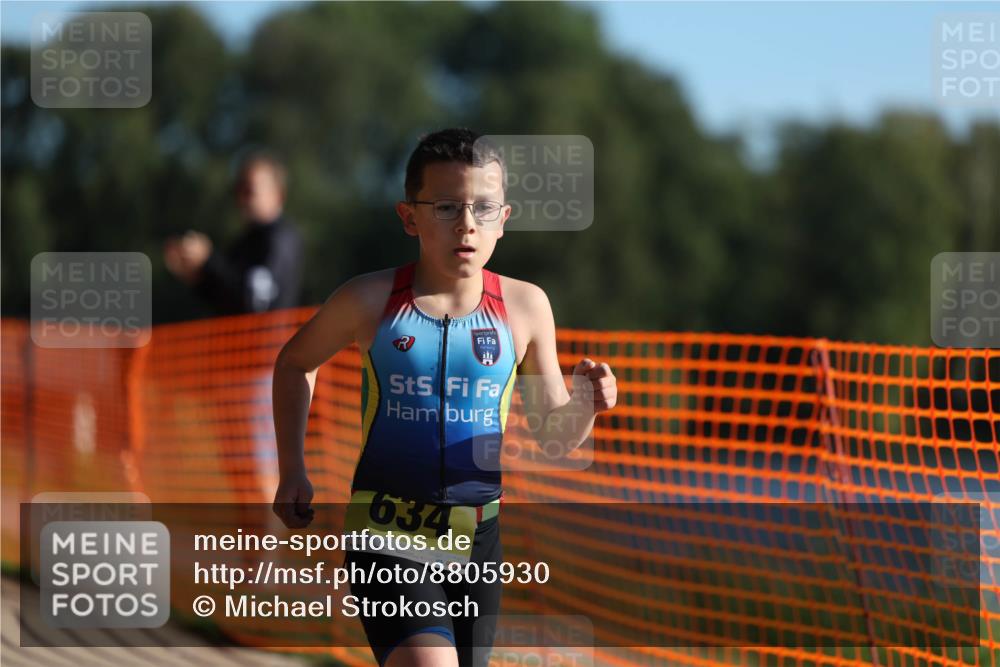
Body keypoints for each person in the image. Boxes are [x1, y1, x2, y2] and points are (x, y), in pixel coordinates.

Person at [270, 128, 617, 667]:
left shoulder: (526, 306)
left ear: (505, 218)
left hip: (479, 542)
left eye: (483, 207)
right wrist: (292, 467)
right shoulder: (370, 299)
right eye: (447, 206)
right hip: (387, 533)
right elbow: (294, 363)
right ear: (410, 217)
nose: (467, 224)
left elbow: (554, 438)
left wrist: (584, 404)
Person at [163, 149, 304, 316]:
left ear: (278, 195)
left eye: (250, 190)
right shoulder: (245, 240)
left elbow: (255, 301)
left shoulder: (280, 239)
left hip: (275, 342)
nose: (243, 199)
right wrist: (196, 276)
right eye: (239, 190)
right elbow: (228, 302)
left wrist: (209, 260)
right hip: (244, 341)